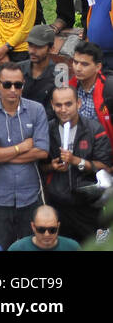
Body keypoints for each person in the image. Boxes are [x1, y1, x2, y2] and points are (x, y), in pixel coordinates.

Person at [0, 60, 49, 248]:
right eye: (7, 84)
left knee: (32, 248)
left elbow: (42, 151)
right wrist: (22, 147)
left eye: (18, 84)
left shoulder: (36, 110)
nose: (13, 89)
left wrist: (2, 154)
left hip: (30, 197)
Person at [43, 84, 110, 244]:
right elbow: (39, 166)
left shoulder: (94, 129)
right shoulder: (46, 129)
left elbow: (105, 166)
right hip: (58, 204)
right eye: (58, 105)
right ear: (52, 105)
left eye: (68, 104)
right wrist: (52, 166)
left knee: (97, 245)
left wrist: (77, 161)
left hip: (89, 205)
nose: (63, 109)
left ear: (78, 103)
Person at [7, 204, 81, 252]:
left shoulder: (72, 247)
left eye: (52, 230)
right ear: (33, 226)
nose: (47, 234)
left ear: (58, 226)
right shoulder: (17, 249)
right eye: (41, 230)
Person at [22, 25, 58, 118]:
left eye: (38, 47)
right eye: (30, 45)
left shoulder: (59, 76)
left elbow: (56, 110)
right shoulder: (18, 69)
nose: (32, 51)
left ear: (51, 48)